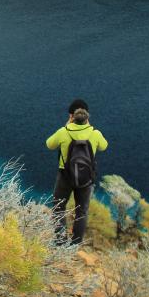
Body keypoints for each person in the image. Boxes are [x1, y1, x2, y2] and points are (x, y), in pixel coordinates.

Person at [46, 98, 108, 245]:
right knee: (82, 211)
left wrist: (66, 127)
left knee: (58, 207)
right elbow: (104, 146)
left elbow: (49, 144)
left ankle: (60, 242)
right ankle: (75, 244)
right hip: (86, 179)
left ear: (71, 116)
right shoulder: (95, 133)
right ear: (87, 116)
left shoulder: (64, 132)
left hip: (65, 176)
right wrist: (90, 129)